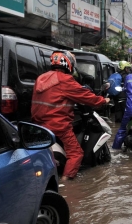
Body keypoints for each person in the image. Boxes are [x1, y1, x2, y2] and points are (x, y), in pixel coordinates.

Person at [31, 50, 109, 181]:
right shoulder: (65, 80)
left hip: (38, 124)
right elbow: (86, 96)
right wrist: (102, 101)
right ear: (69, 64)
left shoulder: (41, 78)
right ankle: (67, 183)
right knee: (76, 154)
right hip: (58, 125)